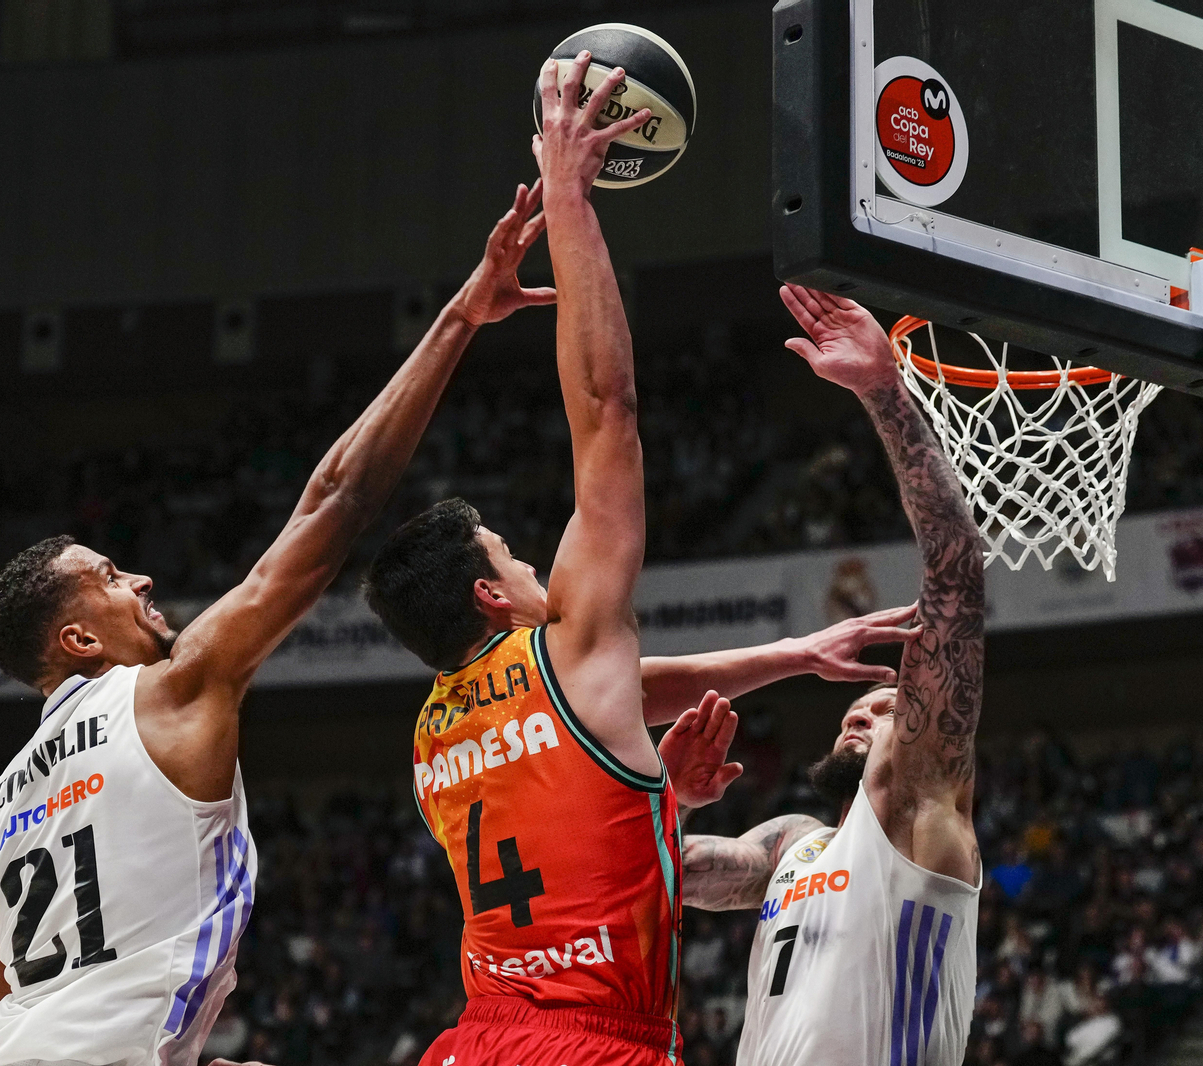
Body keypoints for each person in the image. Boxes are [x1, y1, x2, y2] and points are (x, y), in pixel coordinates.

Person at [358, 56, 917, 1066]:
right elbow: (605, 409)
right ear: (491, 594)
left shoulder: (436, 736)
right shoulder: (567, 649)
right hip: (591, 1044)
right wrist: (570, 195)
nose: (536, 567)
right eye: (513, 556)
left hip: (471, 1043)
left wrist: (790, 659)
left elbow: (630, 702)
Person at [0, 180, 560, 1066]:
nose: (141, 577)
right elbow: (339, 501)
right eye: (109, 577)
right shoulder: (168, 692)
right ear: (77, 640)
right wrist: (462, 317)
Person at [662, 284, 987, 1066]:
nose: (857, 712)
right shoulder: (792, 845)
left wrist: (884, 393)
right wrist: (665, 801)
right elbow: (674, 874)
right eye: (856, 705)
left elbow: (957, 570)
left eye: (885, 708)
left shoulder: (918, 815)